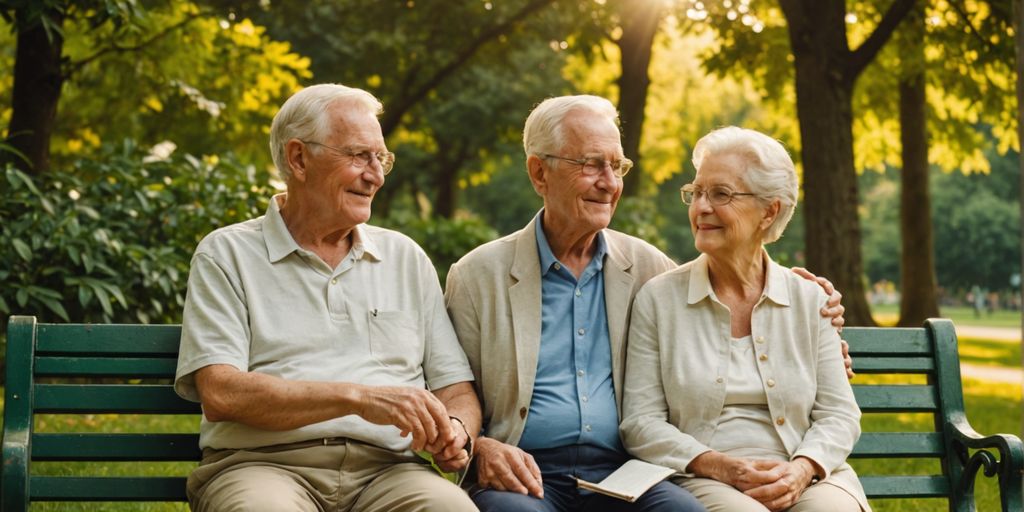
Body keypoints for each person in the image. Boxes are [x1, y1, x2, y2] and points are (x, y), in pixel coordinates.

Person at [444, 96, 846, 512]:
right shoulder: (478, 276)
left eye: (616, 167)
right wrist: (480, 447)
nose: (609, 182)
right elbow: (451, 390)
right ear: (539, 172)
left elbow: (725, 299)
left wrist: (815, 311)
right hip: (522, 473)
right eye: (590, 164)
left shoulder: (649, 270)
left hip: (628, 470)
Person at [174, 84, 480, 512]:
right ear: (299, 159)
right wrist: (360, 399)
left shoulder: (404, 257)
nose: (375, 175)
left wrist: (455, 430)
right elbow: (222, 392)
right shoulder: (227, 253)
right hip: (263, 466)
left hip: (390, 472)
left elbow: (455, 388)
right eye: (358, 156)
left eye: (381, 158)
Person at [620, 126, 868, 512]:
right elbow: (641, 423)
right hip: (703, 477)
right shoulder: (658, 299)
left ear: (769, 211)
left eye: (720, 194)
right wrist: (720, 466)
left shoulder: (809, 299)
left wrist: (803, 469)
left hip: (808, 474)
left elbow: (839, 414)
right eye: (697, 192)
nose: (701, 208)